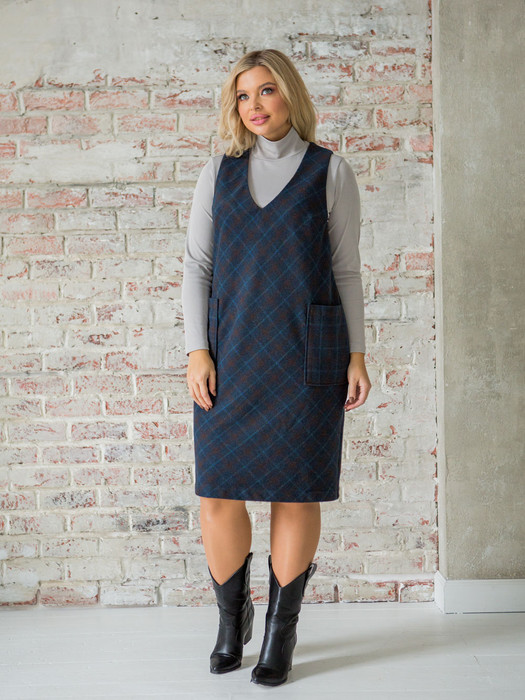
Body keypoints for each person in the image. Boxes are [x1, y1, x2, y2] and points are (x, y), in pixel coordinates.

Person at [181, 48, 371, 687]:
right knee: (218, 491)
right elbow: (197, 267)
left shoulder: (330, 171)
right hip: (231, 354)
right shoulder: (219, 172)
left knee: (296, 490)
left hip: (308, 353)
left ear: (290, 93)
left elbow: (346, 270)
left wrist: (358, 354)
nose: (254, 105)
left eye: (265, 91)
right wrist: (197, 350)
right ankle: (230, 623)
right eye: (243, 95)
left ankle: (279, 635)